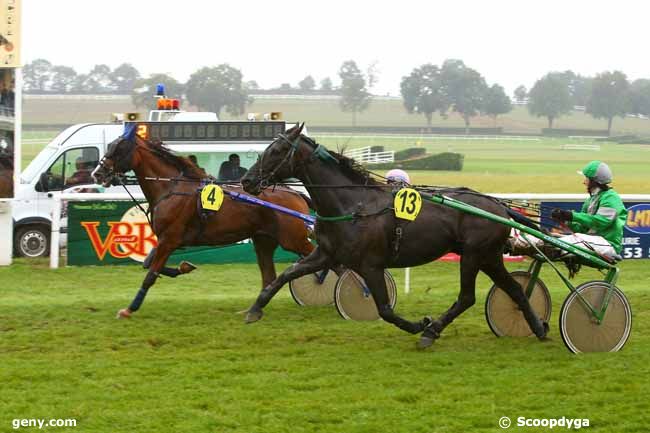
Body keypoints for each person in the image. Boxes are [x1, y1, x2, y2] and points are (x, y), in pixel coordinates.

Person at [549, 160, 627, 259]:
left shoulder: (611, 198)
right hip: (592, 241)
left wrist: (572, 216)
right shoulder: (591, 200)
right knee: (552, 240)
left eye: (586, 178)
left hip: (608, 244)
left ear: (594, 181)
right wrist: (566, 220)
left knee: (559, 244)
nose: (584, 182)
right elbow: (582, 228)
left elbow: (601, 222)